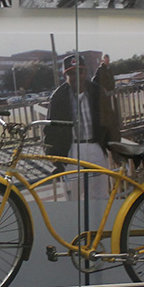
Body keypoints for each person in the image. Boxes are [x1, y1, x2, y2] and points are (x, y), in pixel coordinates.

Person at [44, 54, 120, 201]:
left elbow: (110, 122)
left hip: (95, 147)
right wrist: (55, 159)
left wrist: (116, 150)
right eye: (71, 73)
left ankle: (101, 224)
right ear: (65, 75)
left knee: (100, 196)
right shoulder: (58, 97)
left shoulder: (97, 91)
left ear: (85, 72)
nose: (76, 76)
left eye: (80, 71)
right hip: (72, 150)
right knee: (73, 198)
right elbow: (50, 130)